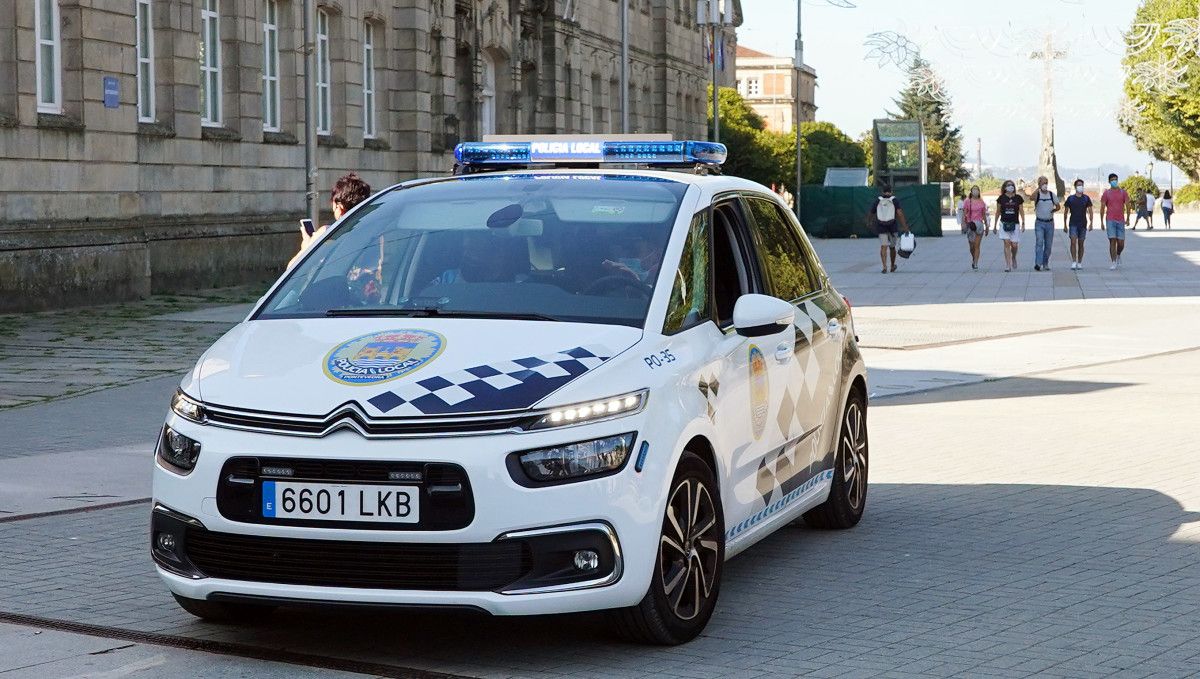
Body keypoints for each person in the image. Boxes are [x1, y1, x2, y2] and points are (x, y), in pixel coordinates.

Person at [288, 173, 372, 269]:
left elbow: (292, 268)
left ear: (339, 206)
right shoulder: (373, 233)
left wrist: (306, 246)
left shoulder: (327, 234)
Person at [867, 184, 909, 274]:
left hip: (881, 226)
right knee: (892, 247)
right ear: (891, 191)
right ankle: (892, 266)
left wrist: (869, 222)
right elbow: (900, 213)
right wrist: (905, 227)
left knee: (883, 246)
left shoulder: (878, 200)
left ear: (882, 191)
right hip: (892, 226)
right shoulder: (894, 200)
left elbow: (871, 212)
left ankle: (884, 266)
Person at [1099, 173, 1131, 270]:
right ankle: (1113, 262)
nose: (1114, 181)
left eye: (1116, 179)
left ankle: (1118, 255)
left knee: (1121, 243)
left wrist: (1128, 218)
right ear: (1109, 181)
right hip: (1110, 220)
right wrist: (1101, 222)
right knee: (1112, 240)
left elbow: (1128, 205)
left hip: (1120, 220)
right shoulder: (1106, 193)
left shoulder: (1123, 192)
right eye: (1112, 180)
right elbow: (1102, 207)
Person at [993, 179, 1025, 272]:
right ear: (1005, 187)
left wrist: (1023, 222)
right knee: (1007, 243)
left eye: (1012, 185)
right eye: (1008, 185)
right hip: (1004, 223)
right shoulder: (1001, 198)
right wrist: (995, 225)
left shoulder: (1018, 198)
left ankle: (1014, 257)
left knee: (1014, 245)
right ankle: (1008, 264)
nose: (1010, 186)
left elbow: (1021, 211)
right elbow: (998, 212)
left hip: (1015, 224)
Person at [1062, 178, 1093, 270]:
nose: (1080, 187)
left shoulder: (1086, 198)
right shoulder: (1070, 199)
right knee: (1073, 242)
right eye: (1079, 185)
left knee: (1081, 243)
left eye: (1082, 185)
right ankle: (1074, 261)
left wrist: (1091, 223)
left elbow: (1090, 211)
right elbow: (1065, 212)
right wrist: (1065, 225)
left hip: (1083, 224)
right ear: (1075, 187)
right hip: (1073, 224)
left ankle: (1079, 262)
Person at [1031, 176, 1060, 271]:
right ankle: (1038, 263)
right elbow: (1031, 198)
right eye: (1043, 183)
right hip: (1039, 222)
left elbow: (1058, 206)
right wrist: (1038, 189)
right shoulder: (1037, 194)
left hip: (1050, 223)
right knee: (1039, 242)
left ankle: (1045, 262)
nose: (1045, 185)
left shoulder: (1051, 195)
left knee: (1048, 245)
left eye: (1046, 183)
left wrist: (1053, 210)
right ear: (1039, 184)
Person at [959, 185, 989, 270]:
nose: (976, 191)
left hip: (979, 224)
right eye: (974, 190)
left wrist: (986, 226)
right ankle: (974, 258)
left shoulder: (982, 202)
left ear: (979, 192)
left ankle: (975, 263)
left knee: (977, 245)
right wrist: (963, 223)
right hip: (970, 225)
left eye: (977, 190)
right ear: (971, 192)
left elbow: (983, 215)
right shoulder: (967, 202)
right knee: (971, 246)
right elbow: (964, 213)